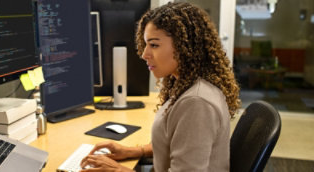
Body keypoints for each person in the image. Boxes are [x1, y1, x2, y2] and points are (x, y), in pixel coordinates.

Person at [81, 2, 240, 172]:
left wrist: (118, 170)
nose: (144, 54)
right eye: (146, 44)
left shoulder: (196, 102)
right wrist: (134, 151)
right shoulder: (186, 85)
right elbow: (179, 143)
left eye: (154, 45)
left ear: (184, 46)